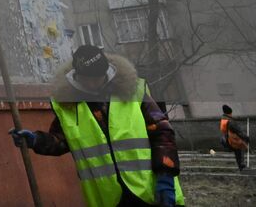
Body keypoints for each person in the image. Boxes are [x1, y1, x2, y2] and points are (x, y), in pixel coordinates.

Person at [9, 44, 182, 206]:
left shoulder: (132, 92)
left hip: (150, 189)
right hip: (107, 197)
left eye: (98, 78)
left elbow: (162, 132)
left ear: (108, 72)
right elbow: (61, 141)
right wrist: (35, 140)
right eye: (88, 79)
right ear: (77, 76)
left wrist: (165, 176)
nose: (93, 84)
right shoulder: (69, 105)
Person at [220, 104, 249, 170]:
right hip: (233, 140)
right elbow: (239, 132)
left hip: (226, 140)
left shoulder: (223, 120)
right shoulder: (231, 122)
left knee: (237, 153)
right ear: (230, 113)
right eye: (231, 113)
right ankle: (243, 167)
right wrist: (246, 138)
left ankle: (241, 167)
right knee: (240, 149)